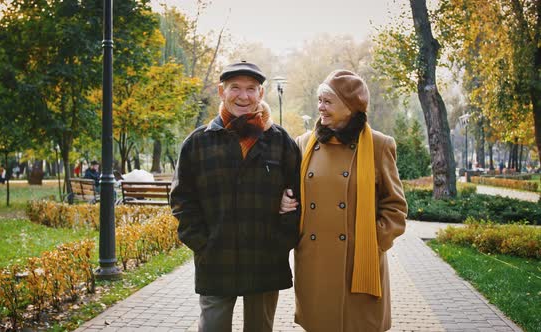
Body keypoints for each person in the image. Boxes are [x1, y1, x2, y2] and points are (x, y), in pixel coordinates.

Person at [170, 61, 301, 332]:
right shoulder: (198, 143)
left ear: (261, 94)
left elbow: (299, 195)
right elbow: (182, 199)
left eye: (251, 88)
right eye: (235, 88)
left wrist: (281, 242)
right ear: (221, 91)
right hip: (216, 260)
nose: (243, 96)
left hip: (265, 259)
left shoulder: (280, 142)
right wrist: (202, 244)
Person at [280, 69, 407, 332]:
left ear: (350, 106)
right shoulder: (303, 143)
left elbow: (395, 207)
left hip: (358, 264)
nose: (320, 108)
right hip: (314, 262)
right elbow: (291, 193)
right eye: (319, 100)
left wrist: (373, 242)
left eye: (327, 101)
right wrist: (284, 201)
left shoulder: (378, 145)